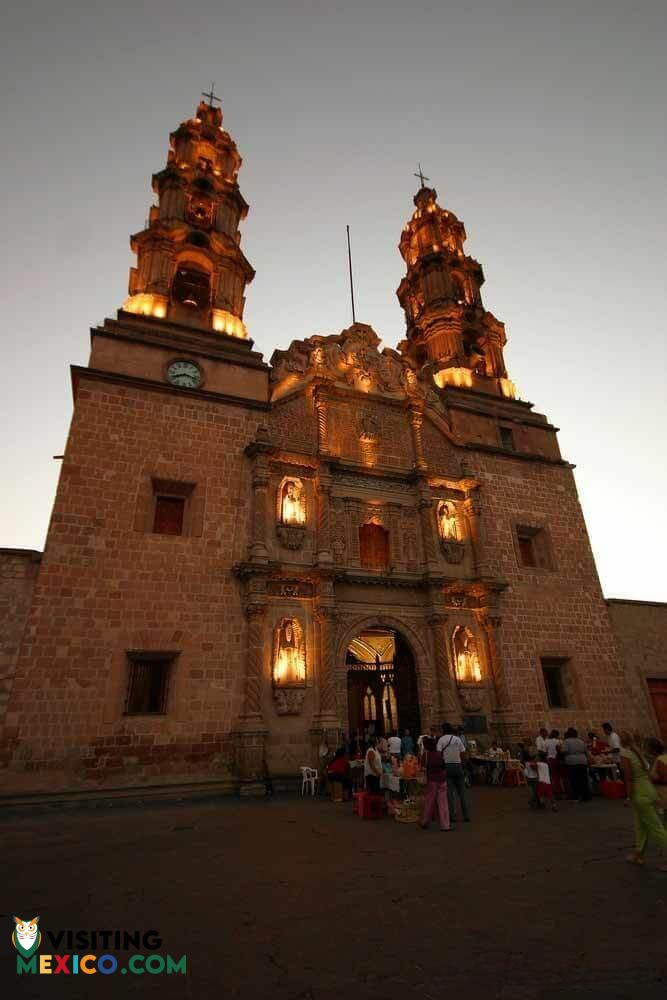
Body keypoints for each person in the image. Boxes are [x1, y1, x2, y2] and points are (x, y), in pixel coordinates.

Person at [620, 731, 667, 870]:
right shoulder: (638, 753)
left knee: (656, 828)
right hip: (649, 791)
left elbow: (629, 778)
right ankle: (638, 854)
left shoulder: (626, 755)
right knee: (641, 826)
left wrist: (628, 796)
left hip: (640, 794)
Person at [437, 723, 470, 823]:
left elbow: (438, 755)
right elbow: (463, 753)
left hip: (447, 766)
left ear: (443, 730)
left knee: (450, 793)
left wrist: (441, 765)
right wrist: (463, 766)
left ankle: (453, 816)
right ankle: (466, 815)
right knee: (462, 793)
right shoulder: (457, 739)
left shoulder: (441, 740)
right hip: (458, 765)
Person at [419, 736, 451, 831]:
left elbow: (422, 766)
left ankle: (425, 821)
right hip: (442, 779)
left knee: (429, 802)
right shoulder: (440, 754)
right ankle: (445, 825)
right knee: (443, 803)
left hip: (432, 781)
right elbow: (444, 766)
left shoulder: (426, 755)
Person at [561, 727, 591, 802]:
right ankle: (586, 796)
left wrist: (560, 750)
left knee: (574, 779)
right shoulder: (581, 741)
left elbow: (564, 751)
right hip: (582, 761)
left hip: (572, 761)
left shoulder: (566, 741)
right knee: (583, 779)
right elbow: (586, 751)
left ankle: (576, 796)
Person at [647, 737, 667, 814]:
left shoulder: (660, 759)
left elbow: (664, 778)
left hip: (663, 793)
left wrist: (652, 779)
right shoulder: (660, 758)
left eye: (648, 748)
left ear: (653, 749)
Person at [544, 729, 563, 798]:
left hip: (550, 759)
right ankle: (559, 790)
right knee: (559, 776)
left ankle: (555, 791)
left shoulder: (546, 741)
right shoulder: (559, 741)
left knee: (553, 776)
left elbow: (545, 751)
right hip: (558, 759)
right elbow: (561, 750)